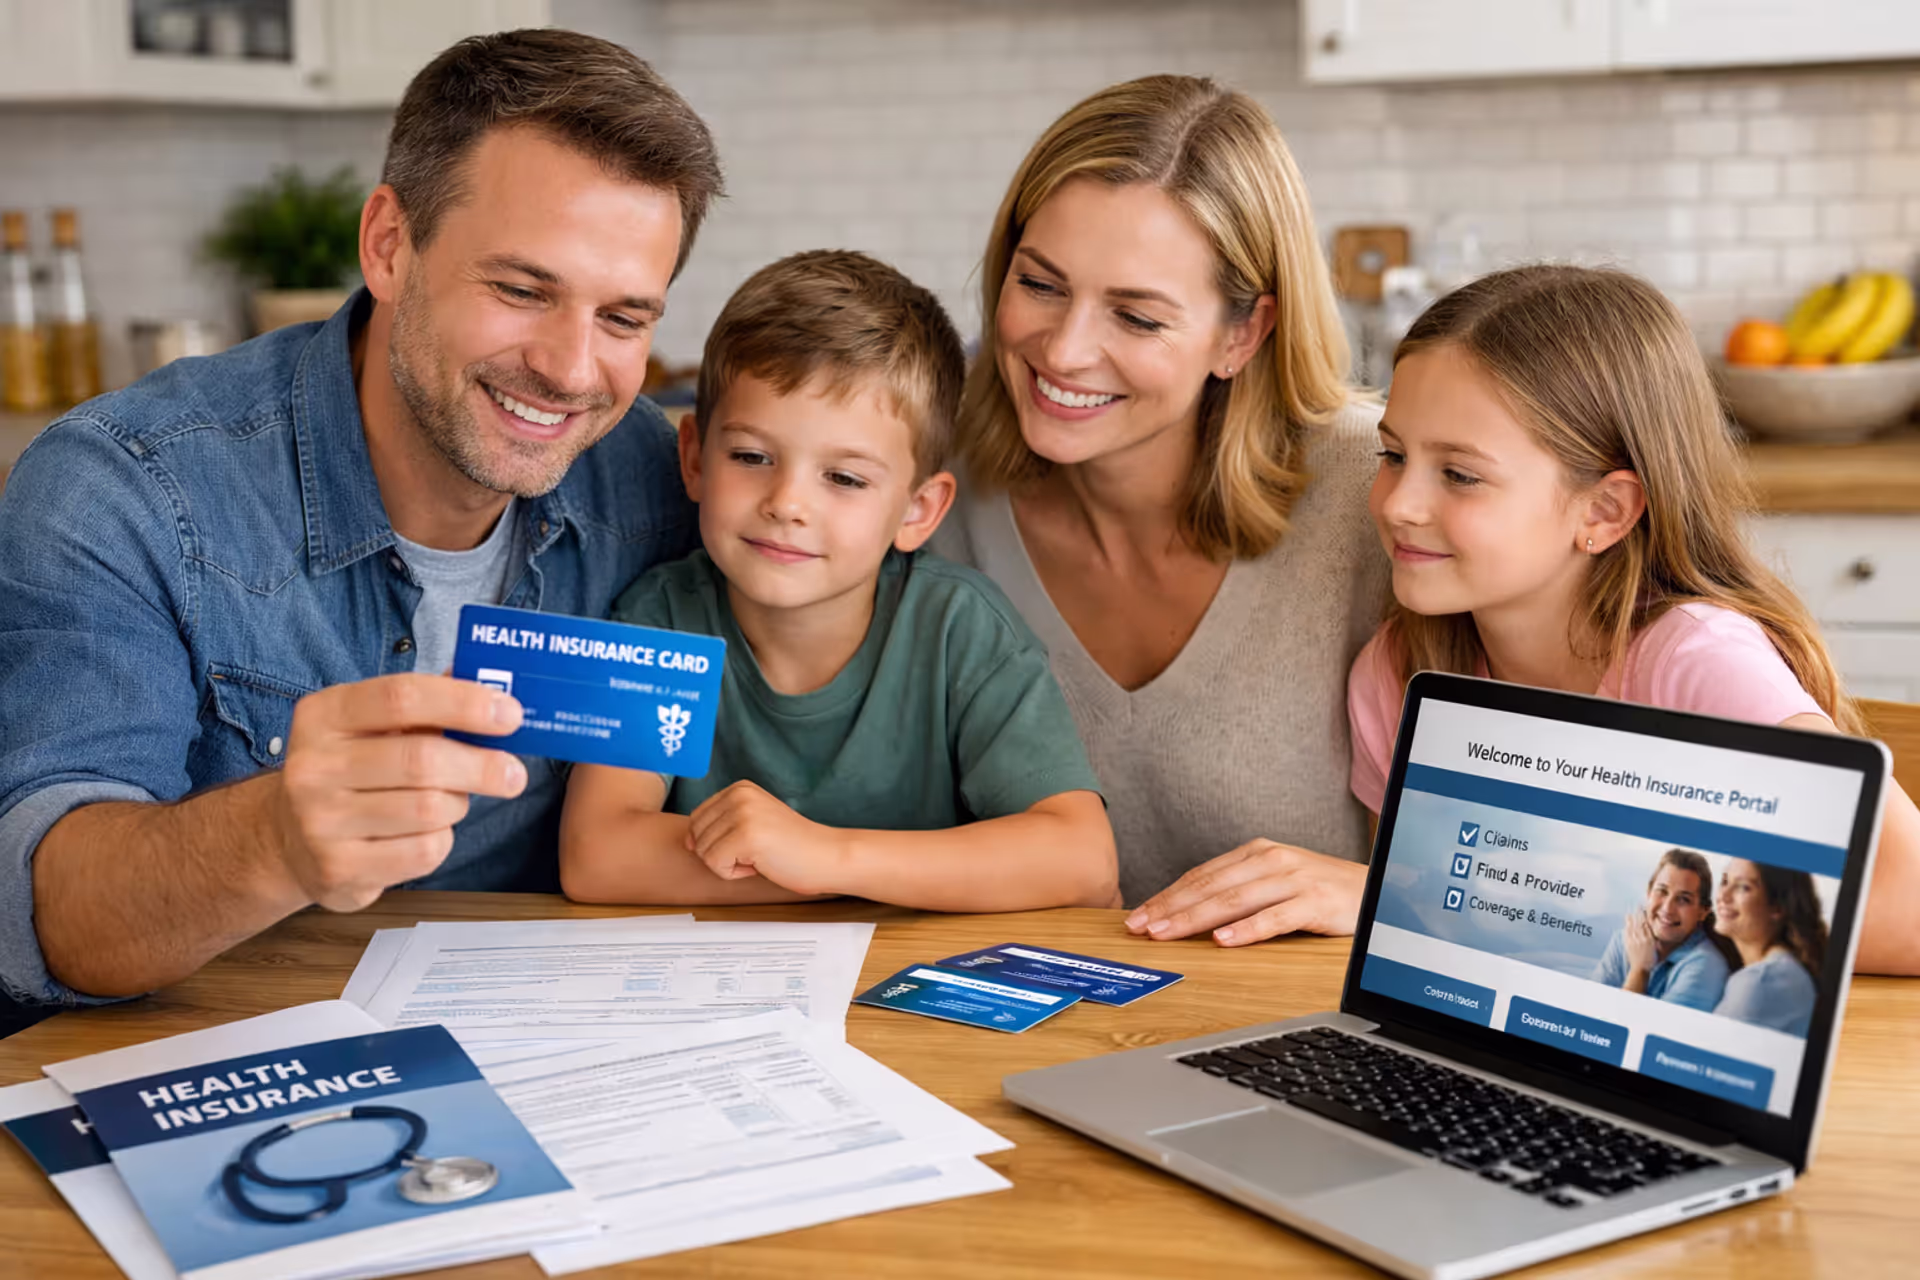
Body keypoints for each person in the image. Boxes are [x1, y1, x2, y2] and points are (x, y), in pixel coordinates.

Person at [0, 29, 724, 1008]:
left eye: (625, 318)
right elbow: (50, 912)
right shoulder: (124, 489)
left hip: (554, 1045)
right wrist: (273, 838)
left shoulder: (660, 485)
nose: (569, 368)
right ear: (388, 245)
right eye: (520, 289)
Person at [1347, 264, 1920, 975]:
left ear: (1604, 511)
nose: (1398, 503)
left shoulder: (1697, 663)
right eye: (1392, 455)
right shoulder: (1397, 669)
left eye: (1460, 475)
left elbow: (1914, 905)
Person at [931, 75, 1389, 941]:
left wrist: (1382, 898)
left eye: (1136, 318)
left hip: (1291, 1044)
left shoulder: (1377, 488)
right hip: (985, 1026)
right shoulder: (919, 460)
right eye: (1040, 284)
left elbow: (1571, 867)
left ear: (1241, 335)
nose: (1063, 351)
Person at [560, 251, 1116, 910]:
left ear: (918, 512)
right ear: (695, 460)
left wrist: (825, 857)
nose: (787, 503)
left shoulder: (959, 629)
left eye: (844, 478)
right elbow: (597, 858)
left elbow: (1083, 859)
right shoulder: (657, 618)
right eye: (751, 456)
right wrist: (819, 871)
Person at [1591, 849, 1731, 1011]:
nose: (1667, 909)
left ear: (1703, 912)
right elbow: (1591, 1012)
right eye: (1662, 891)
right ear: (1649, 892)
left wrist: (1639, 970)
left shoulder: (1707, 966)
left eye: (1684, 899)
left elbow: (1627, 1027)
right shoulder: (1623, 941)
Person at [1712, 858, 1826, 1037]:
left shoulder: (1761, 982)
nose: (1723, 896)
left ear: (1777, 907)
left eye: (1743, 887)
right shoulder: (1785, 971)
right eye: (1725, 881)